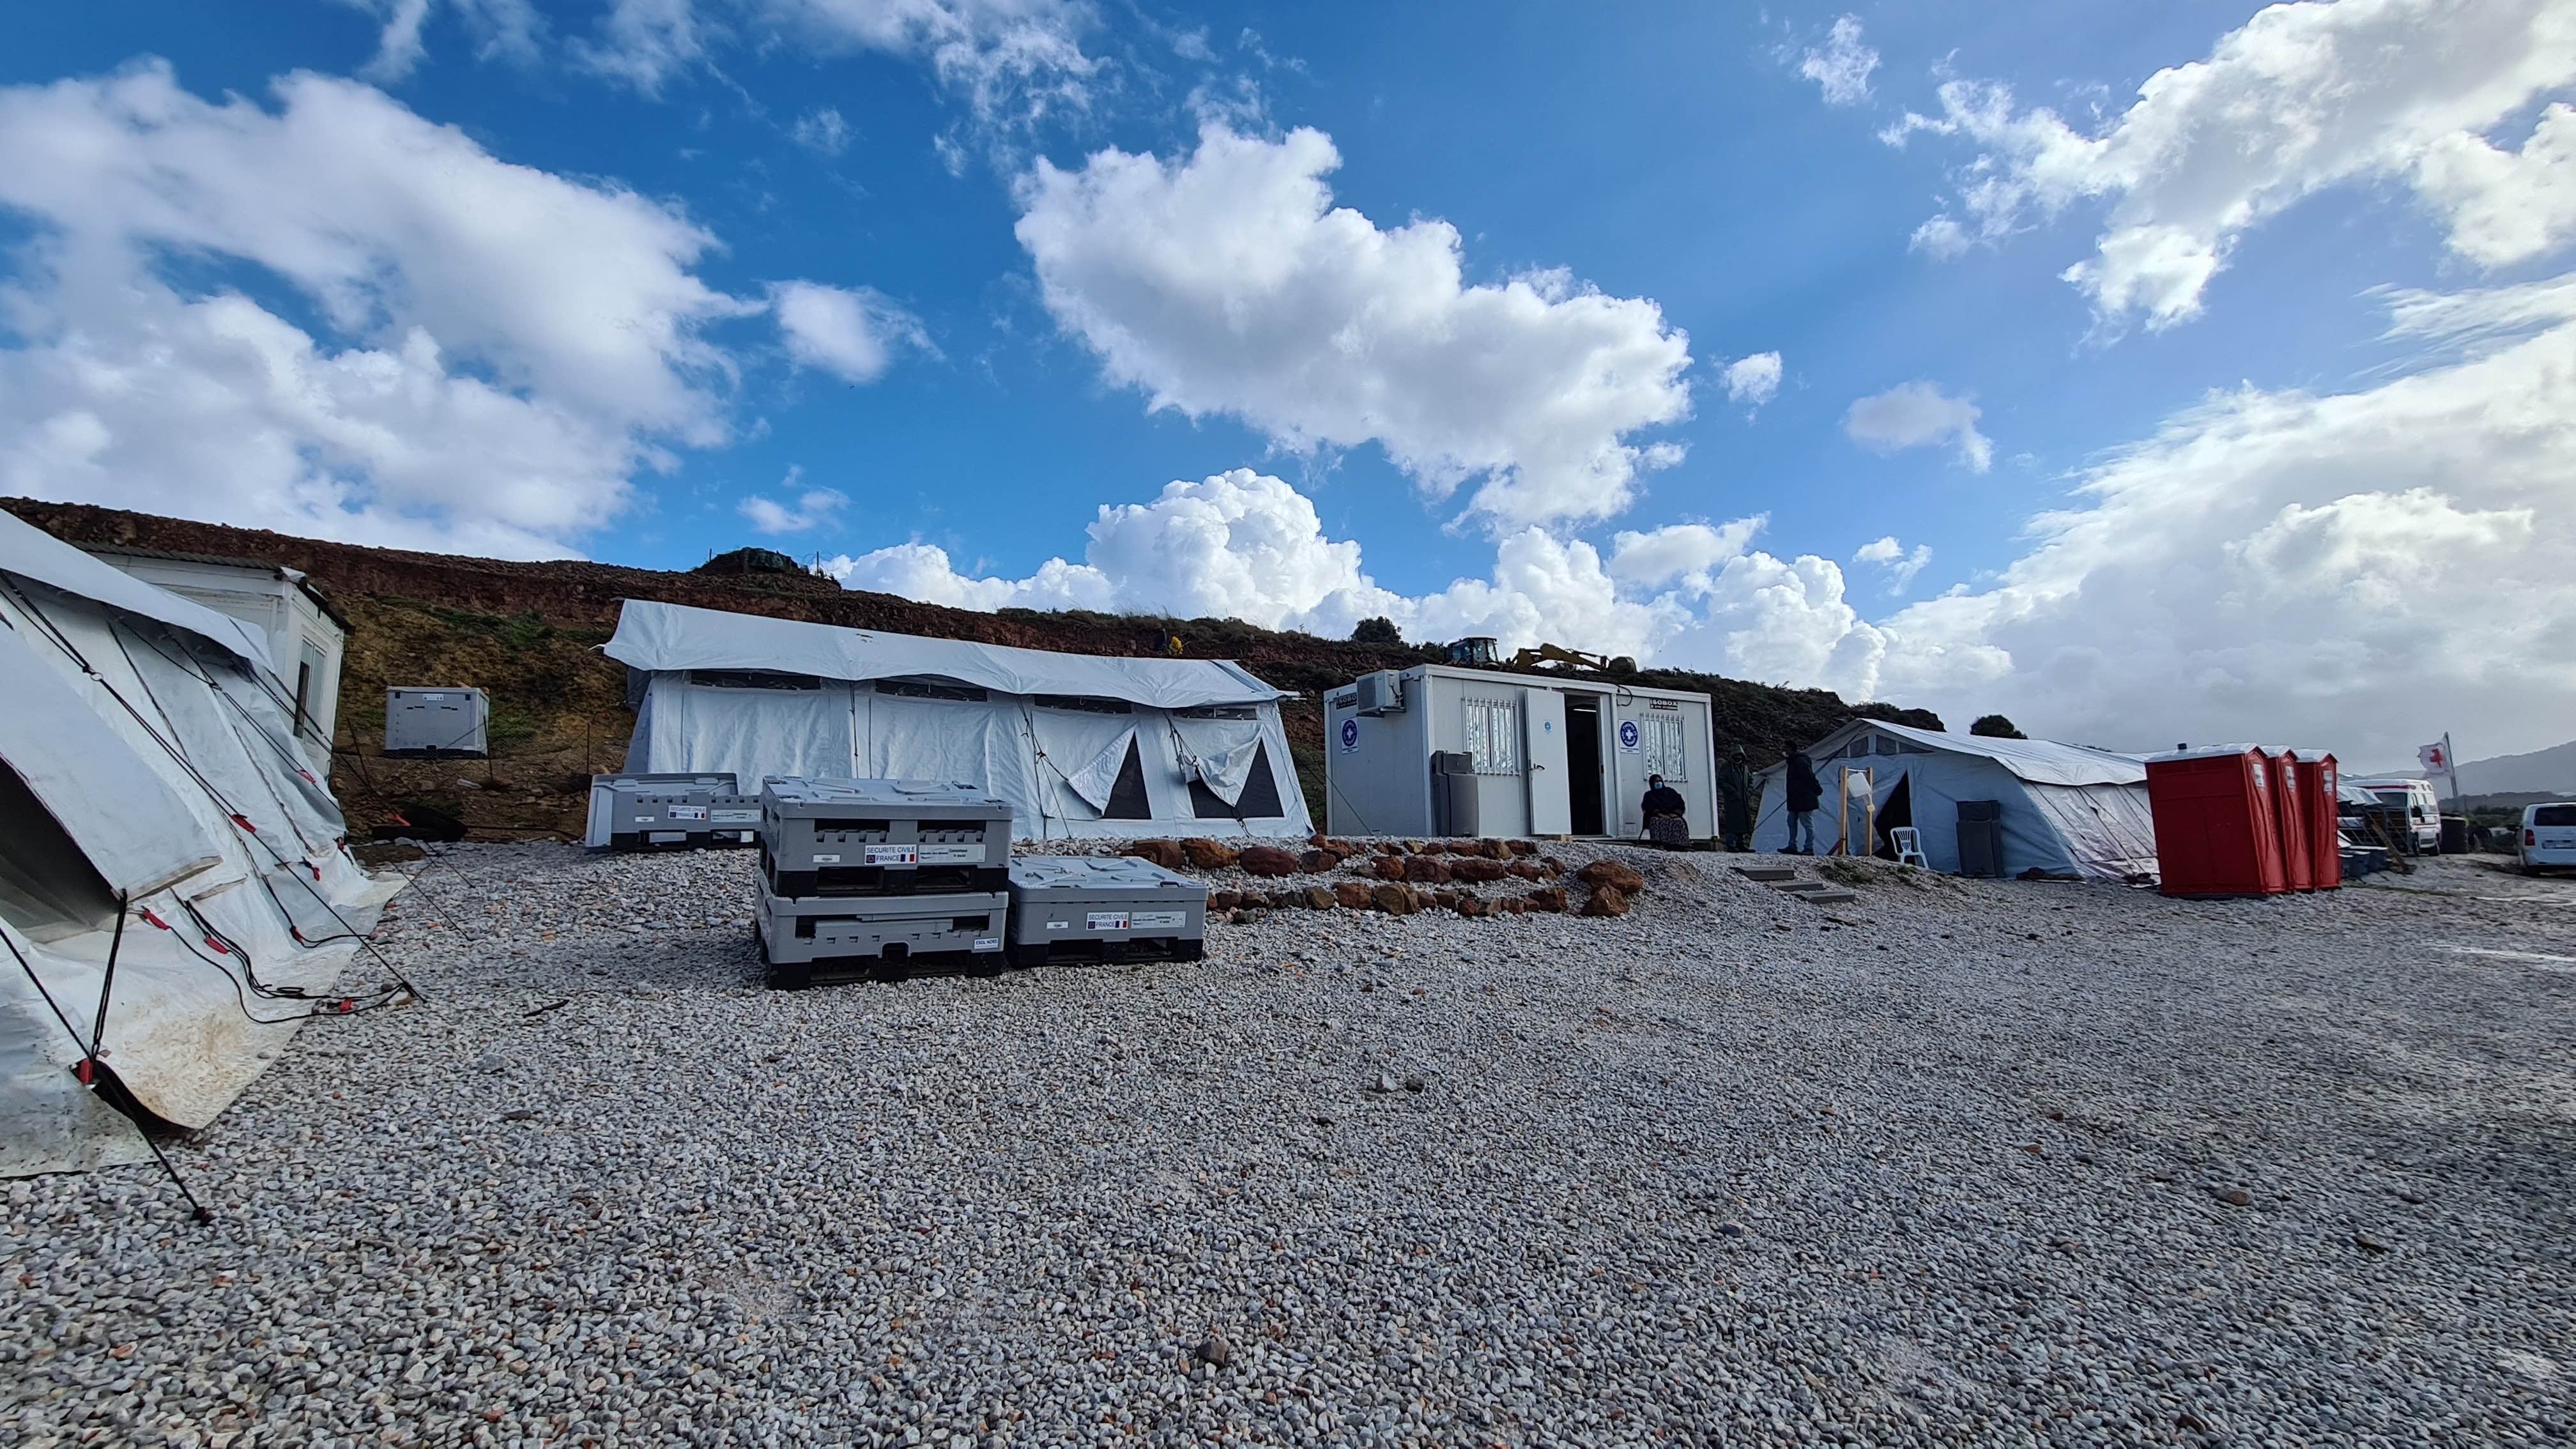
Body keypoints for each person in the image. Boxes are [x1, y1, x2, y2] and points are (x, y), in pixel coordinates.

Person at [1782, 740, 1822, 855]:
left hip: (1804, 798)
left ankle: (1809, 848)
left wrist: (1816, 789)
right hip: (1795, 798)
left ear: (1790, 749)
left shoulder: (1800, 761)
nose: (1783, 751)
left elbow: (1809, 777)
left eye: (1785, 748)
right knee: (1791, 822)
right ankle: (1792, 845)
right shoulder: (1794, 762)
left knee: (1807, 823)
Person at [1717, 745, 1756, 852]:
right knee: (1733, 823)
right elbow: (1721, 781)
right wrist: (1732, 791)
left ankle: (1741, 844)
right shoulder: (1727, 767)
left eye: (1740, 756)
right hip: (1732, 801)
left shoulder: (1745, 768)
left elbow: (1751, 781)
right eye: (1736, 755)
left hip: (1743, 800)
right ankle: (1731, 844)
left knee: (1742, 824)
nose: (1738, 758)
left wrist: (1749, 791)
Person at [1640, 772, 1690, 848]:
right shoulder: (1649, 795)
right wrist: (1660, 814)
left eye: (1660, 781)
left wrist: (1676, 814)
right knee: (1655, 821)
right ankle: (1659, 844)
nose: (1659, 783)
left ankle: (1680, 845)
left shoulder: (1670, 792)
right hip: (1657, 816)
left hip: (1672, 815)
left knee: (1679, 822)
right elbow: (1648, 807)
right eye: (1656, 782)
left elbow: (1680, 803)